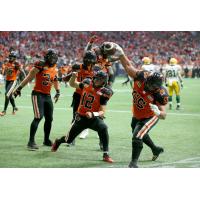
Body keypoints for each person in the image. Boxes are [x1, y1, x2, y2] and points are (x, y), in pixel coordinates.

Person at [118, 49, 168, 168]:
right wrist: (121, 54)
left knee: (137, 135)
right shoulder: (141, 76)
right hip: (137, 113)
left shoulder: (160, 93)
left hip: (150, 116)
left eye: (154, 86)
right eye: (150, 83)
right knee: (139, 132)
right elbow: (128, 65)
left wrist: (158, 112)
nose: (151, 87)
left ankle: (133, 163)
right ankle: (155, 149)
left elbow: (164, 115)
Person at [51, 70, 114, 163]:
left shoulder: (105, 92)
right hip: (80, 118)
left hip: (93, 118)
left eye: (100, 80)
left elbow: (102, 112)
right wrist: (73, 77)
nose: (97, 81)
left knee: (103, 128)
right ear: (94, 77)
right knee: (68, 140)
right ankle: (58, 142)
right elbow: (73, 84)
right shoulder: (87, 83)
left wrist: (93, 114)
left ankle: (106, 154)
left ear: (104, 82)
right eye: (97, 78)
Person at [12, 49, 60, 150]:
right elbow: (29, 77)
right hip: (37, 94)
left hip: (47, 95)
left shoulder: (55, 67)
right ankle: (31, 141)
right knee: (38, 117)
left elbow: (55, 80)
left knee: (49, 119)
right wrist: (19, 88)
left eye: (55, 57)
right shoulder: (40, 65)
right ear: (47, 57)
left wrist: (58, 91)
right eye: (52, 57)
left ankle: (46, 140)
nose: (53, 59)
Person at [0, 51, 26, 116]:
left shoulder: (16, 63)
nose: (11, 58)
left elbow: (22, 71)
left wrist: (25, 78)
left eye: (12, 57)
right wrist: (5, 70)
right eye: (10, 56)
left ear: (15, 58)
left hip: (13, 81)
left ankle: (4, 111)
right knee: (10, 96)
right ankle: (14, 107)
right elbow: (4, 73)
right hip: (7, 81)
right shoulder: (7, 63)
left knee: (7, 94)